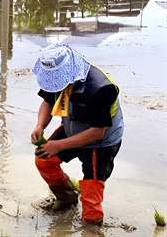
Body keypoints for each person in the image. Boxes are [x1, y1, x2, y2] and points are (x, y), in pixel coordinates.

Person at [31, 43, 124, 227]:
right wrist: (40, 126)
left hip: (101, 142)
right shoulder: (57, 80)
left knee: (91, 199)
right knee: (44, 160)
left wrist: (57, 145)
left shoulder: (100, 88)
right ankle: (67, 197)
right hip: (72, 127)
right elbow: (48, 101)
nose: (57, 86)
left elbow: (97, 132)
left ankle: (91, 227)